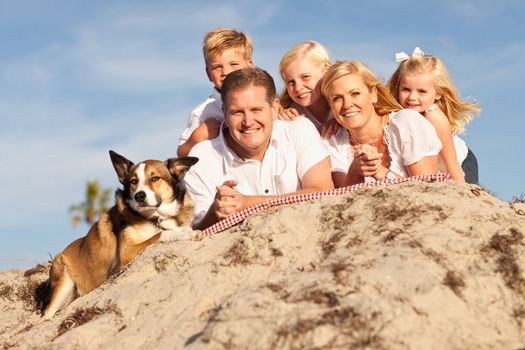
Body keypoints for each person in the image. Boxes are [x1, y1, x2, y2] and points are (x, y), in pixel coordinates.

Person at [184, 67, 334, 229]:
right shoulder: (201, 159)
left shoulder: (298, 130)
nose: (248, 122)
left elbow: (322, 192)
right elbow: (196, 232)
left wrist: (247, 203)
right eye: (237, 112)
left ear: (274, 108)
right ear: (225, 113)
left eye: (256, 110)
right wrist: (215, 212)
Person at [321, 60, 442, 188]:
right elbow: (341, 201)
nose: (347, 104)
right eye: (337, 98)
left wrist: (379, 171)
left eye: (355, 94)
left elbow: (427, 190)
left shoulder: (407, 123)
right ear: (331, 105)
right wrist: (355, 171)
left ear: (373, 94)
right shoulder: (332, 141)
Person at [387, 47, 480, 183]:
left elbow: (452, 164)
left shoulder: (434, 117)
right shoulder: (400, 116)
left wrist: (462, 189)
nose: (412, 97)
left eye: (422, 91)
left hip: (460, 163)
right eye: (406, 89)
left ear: (438, 94)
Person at [177, 28, 254, 157]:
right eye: (217, 67)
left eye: (234, 64)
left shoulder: (263, 99)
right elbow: (181, 154)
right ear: (208, 74)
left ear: (249, 65)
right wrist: (196, 137)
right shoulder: (203, 113)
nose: (225, 72)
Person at [278, 41, 339, 137]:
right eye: (291, 82)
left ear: (325, 73)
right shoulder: (289, 115)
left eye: (305, 77)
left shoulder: (343, 104)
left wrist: (343, 120)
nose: (298, 88)